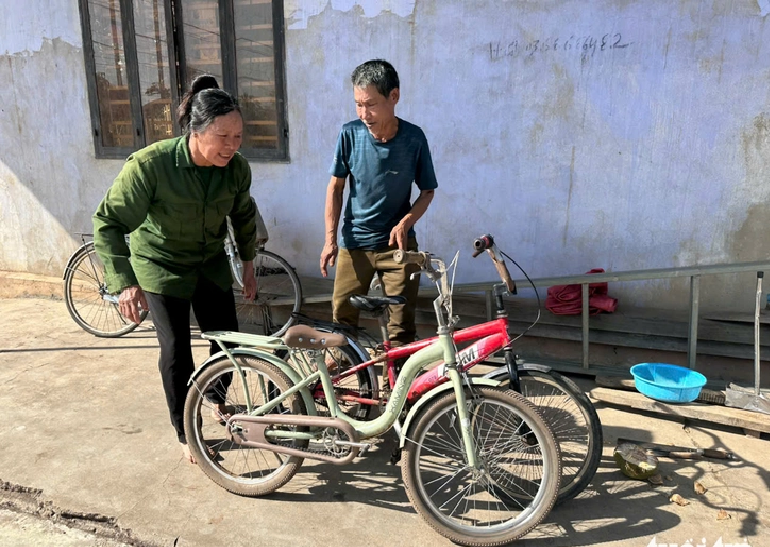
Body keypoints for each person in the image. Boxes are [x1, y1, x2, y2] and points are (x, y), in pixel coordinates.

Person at [93, 75, 259, 464]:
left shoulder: (236, 169)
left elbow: (243, 214)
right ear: (196, 132)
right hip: (161, 266)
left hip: (210, 264)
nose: (233, 146)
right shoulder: (151, 166)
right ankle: (185, 431)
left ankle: (217, 402)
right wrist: (124, 284)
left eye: (238, 136)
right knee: (176, 350)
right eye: (224, 136)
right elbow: (109, 222)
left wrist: (248, 263)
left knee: (228, 343)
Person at [320, 59, 438, 346]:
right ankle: (341, 384)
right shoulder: (350, 134)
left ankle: (396, 387)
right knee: (342, 320)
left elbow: (427, 192)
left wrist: (406, 222)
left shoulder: (413, 138)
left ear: (394, 97)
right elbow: (335, 188)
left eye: (370, 104)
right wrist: (330, 240)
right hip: (355, 245)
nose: (363, 113)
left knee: (401, 325)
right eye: (358, 104)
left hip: (397, 247)